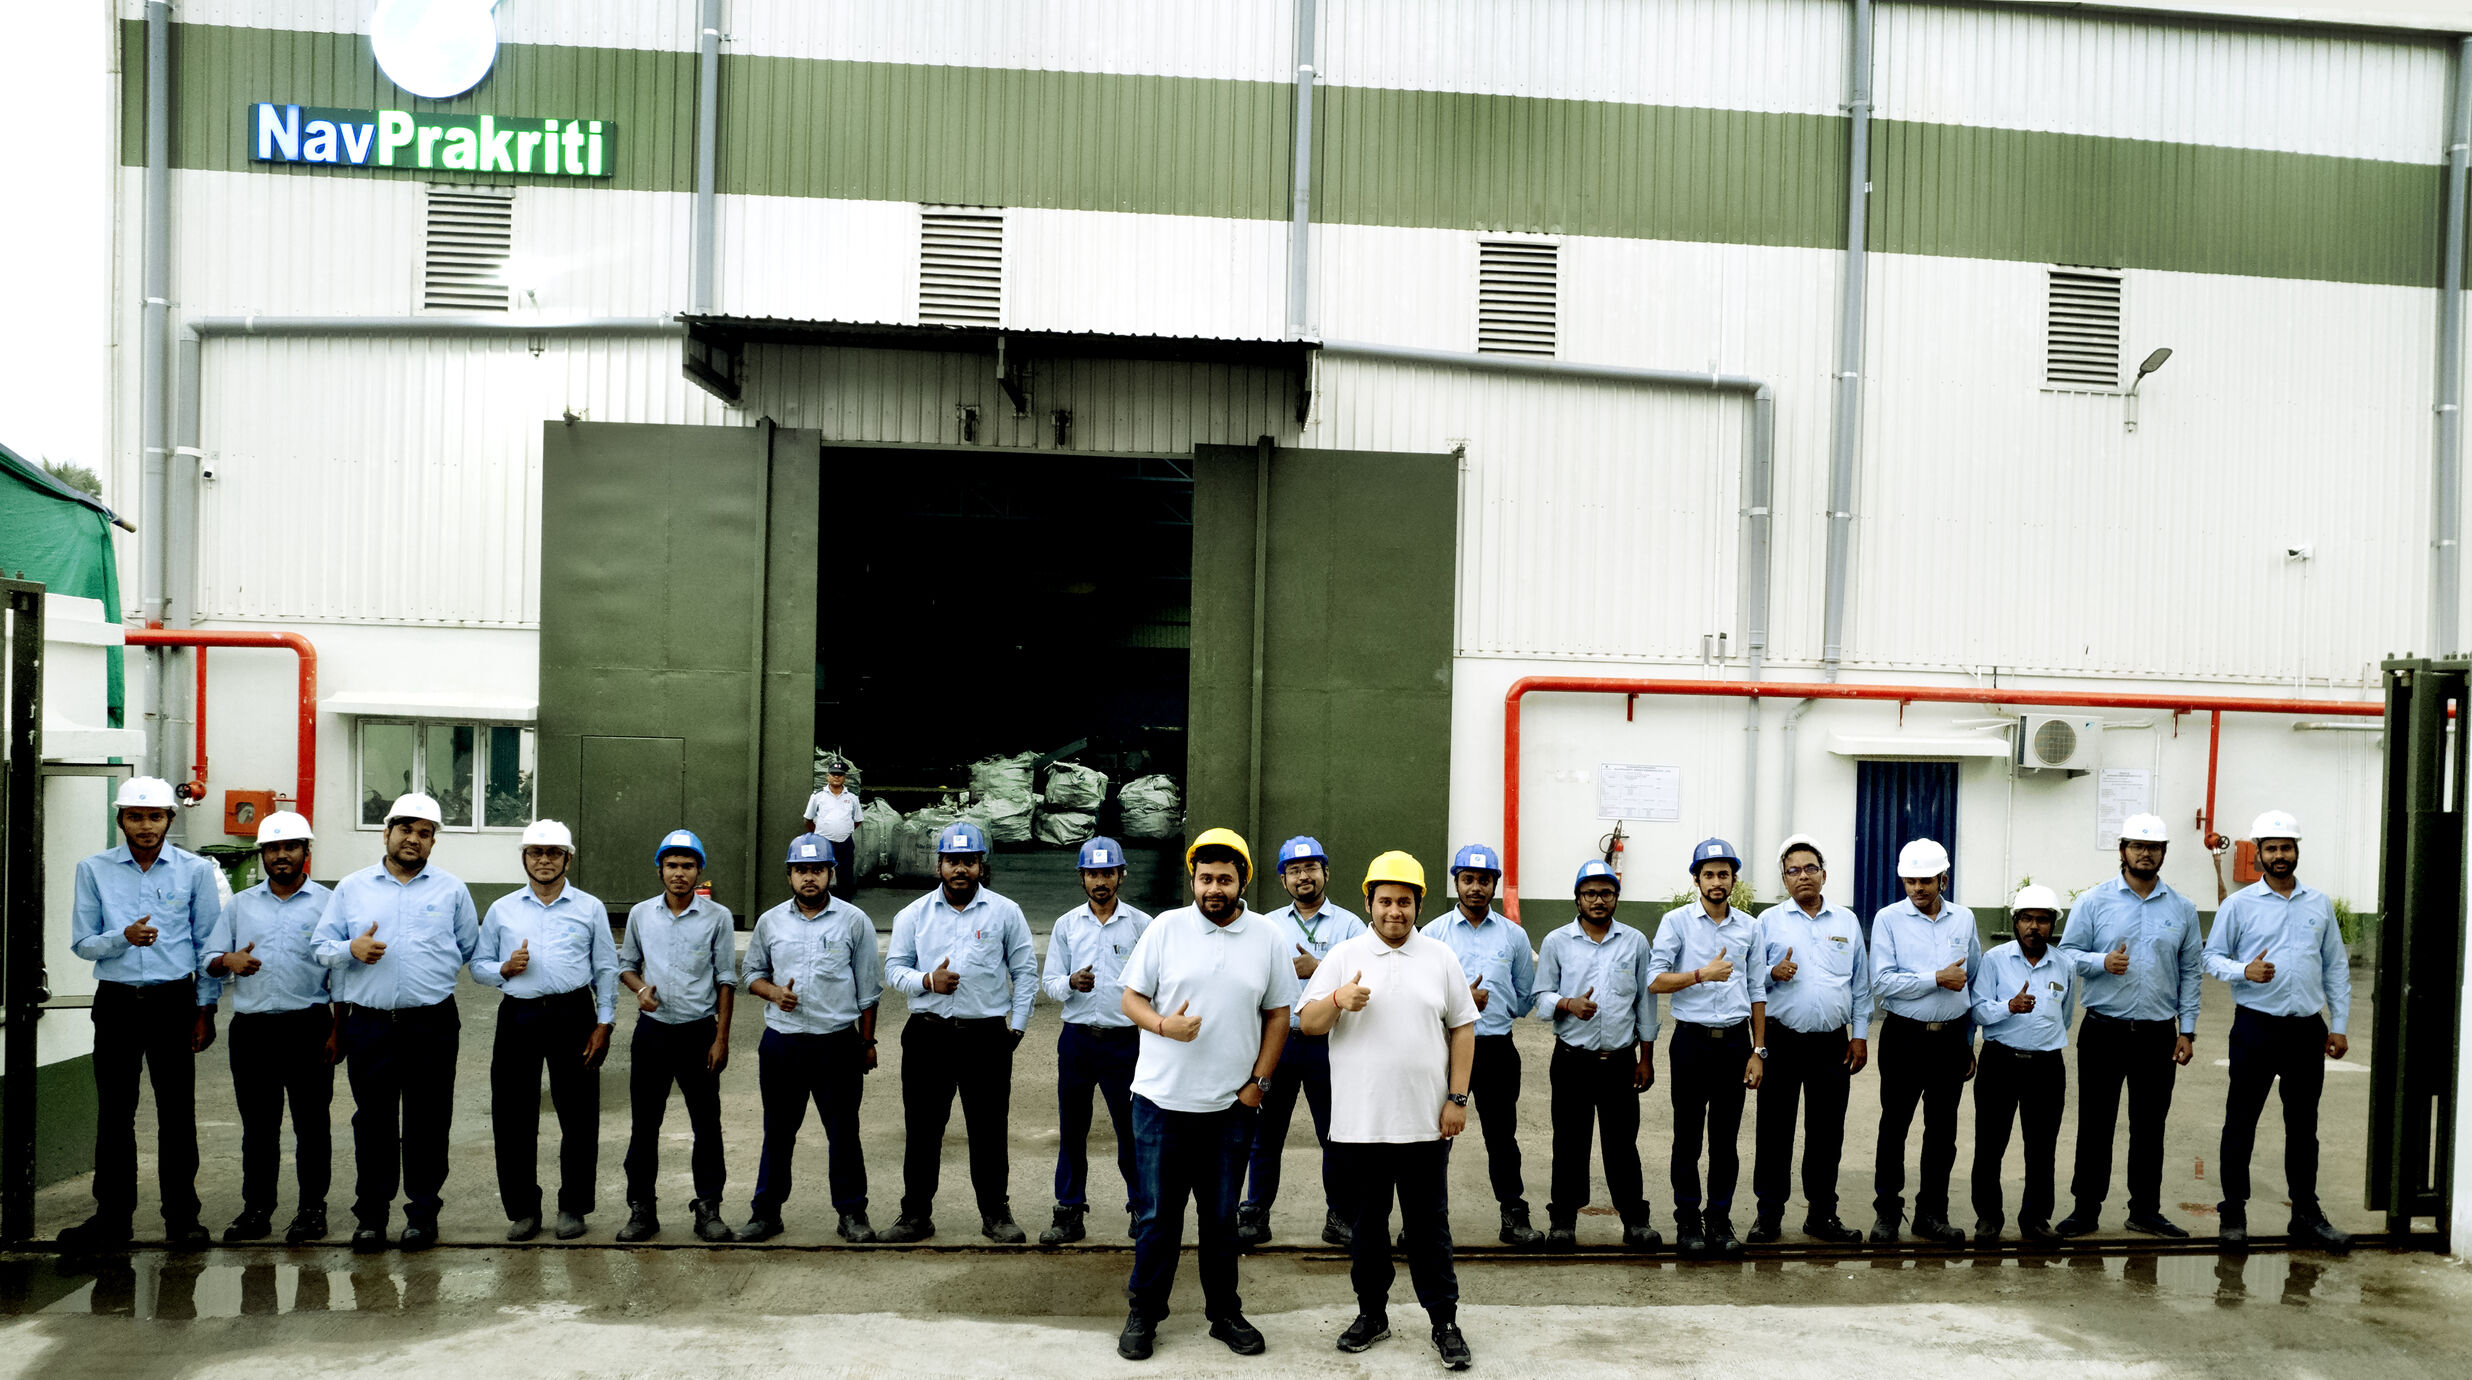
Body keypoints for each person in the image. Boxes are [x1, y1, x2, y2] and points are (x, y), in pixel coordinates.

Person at [1116, 828, 1295, 1360]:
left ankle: (1224, 1314)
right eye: (1205, 878)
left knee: (1220, 1221)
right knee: (1156, 1218)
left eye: (1225, 878)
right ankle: (1145, 1313)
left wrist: (1258, 1084)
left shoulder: (1266, 936)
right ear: (1192, 880)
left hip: (1228, 1110)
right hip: (1159, 1105)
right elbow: (1130, 998)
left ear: (1242, 881)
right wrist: (1162, 1026)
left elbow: (1279, 1013)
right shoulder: (1166, 929)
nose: (1214, 888)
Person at [1300, 851, 1477, 1370]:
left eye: (1404, 901)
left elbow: (1463, 1029)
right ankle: (1371, 1314)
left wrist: (1457, 1098)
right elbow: (1308, 1022)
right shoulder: (1343, 954)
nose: (1394, 911)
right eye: (1384, 901)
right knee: (1367, 1230)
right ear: (1369, 903)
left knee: (1429, 1230)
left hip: (1426, 1123)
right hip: (1359, 1126)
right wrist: (1338, 997)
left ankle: (1443, 1320)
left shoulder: (1441, 957)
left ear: (1418, 903)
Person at [59, 776, 232, 1252]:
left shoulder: (194, 871)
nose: (146, 825)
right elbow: (81, 942)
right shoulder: (93, 869)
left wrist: (206, 1008)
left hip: (173, 1002)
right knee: (115, 1114)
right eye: (135, 816)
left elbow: (206, 946)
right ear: (120, 820)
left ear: (169, 821)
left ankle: (183, 1219)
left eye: (155, 816)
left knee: (177, 1114)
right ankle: (112, 1218)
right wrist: (123, 938)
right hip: (116, 1003)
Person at [314, 791, 481, 1253]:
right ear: (386, 833)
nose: (414, 839)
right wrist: (351, 949)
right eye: (405, 829)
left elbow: (468, 948)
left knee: (428, 1119)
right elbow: (319, 946)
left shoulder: (451, 891)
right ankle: (371, 1216)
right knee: (373, 1121)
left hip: (432, 1023)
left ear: (433, 842)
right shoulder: (352, 888)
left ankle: (422, 1215)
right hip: (370, 1023)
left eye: (424, 833)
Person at [2203, 810, 2353, 1254]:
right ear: (2259, 855)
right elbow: (2211, 958)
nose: (2279, 855)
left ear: (2296, 852)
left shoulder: (2318, 904)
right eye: (2270, 849)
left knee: (2303, 1127)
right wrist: (2243, 970)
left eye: (2286, 848)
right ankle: (2233, 1213)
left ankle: (2305, 1214)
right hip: (2255, 1028)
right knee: (2241, 1123)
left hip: (2307, 1031)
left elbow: (2336, 968)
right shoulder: (2239, 905)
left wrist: (2339, 1026)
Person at [882, 820, 1038, 1243]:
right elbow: (894, 968)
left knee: (988, 1130)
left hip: (985, 1037)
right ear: (939, 866)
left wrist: (1017, 1026)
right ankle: (915, 1215)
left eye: (969, 861)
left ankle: (996, 1215)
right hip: (927, 1035)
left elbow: (1025, 972)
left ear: (981, 867)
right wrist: (927, 981)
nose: (960, 869)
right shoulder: (912, 915)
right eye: (953, 861)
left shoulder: (1006, 913)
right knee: (923, 1129)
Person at [2052, 812, 2202, 1239]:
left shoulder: (2182, 908)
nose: (2145, 853)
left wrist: (2186, 1030)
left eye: (2153, 847)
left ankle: (2145, 1211)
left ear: (2163, 854)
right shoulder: (2094, 901)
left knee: (2150, 1125)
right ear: (2123, 851)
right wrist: (2102, 961)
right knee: (2096, 1122)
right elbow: (2066, 954)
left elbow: (2191, 970)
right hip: (2104, 1030)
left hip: (2158, 1034)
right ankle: (2085, 1209)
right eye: (2137, 846)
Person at [470, 820, 617, 1241]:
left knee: (580, 1114)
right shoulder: (503, 910)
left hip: (574, 1014)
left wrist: (604, 1022)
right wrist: (503, 968)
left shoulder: (589, 908)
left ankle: (573, 1206)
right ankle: (523, 1210)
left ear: (568, 858)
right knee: (513, 1114)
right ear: (524, 858)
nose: (545, 860)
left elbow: (605, 968)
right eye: (536, 852)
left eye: (554, 853)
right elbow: (478, 967)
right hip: (519, 1015)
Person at [737, 833, 881, 1243]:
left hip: (836, 1044)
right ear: (789, 876)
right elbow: (751, 975)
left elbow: (869, 991)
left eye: (817, 869)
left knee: (843, 1132)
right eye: (801, 870)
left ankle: (852, 1213)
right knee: (778, 1131)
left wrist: (867, 1044)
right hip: (782, 1044)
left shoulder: (854, 921)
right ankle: (766, 1213)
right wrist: (774, 993)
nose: (810, 878)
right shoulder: (770, 922)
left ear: (830, 873)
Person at [216, 809, 337, 1245]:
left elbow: (340, 974)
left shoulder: (328, 904)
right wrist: (227, 960)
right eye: (273, 848)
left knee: (312, 1123)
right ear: (262, 854)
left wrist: (336, 1030)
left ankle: (311, 1210)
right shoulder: (241, 906)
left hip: (309, 1026)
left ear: (307, 851)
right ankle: (257, 1210)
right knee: (259, 1126)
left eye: (290, 847)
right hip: (253, 1031)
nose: (281, 856)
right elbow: (212, 957)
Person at [1238, 834, 1365, 1247]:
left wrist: (1320, 966)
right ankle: (1255, 1214)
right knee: (1266, 1134)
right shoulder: (1267, 925)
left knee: (1335, 1134)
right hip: (1279, 1041)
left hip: (1331, 1044)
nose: (1303, 877)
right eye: (1294, 871)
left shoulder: (1349, 925)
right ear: (1283, 880)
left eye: (1311, 868)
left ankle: (1340, 1215)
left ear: (1325, 873)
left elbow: (1368, 978)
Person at [1531, 859, 1661, 1250]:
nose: (1598, 900)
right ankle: (1563, 1222)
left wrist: (1646, 1057)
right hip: (1572, 1060)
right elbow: (1540, 999)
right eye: (1590, 893)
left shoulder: (1635, 942)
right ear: (1578, 899)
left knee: (1623, 1144)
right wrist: (1568, 1004)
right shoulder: (1557, 942)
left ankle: (1635, 1222)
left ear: (1617, 898)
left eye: (1606, 893)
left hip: (1621, 1061)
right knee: (1569, 1143)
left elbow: (1646, 1004)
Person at [616, 828, 738, 1243]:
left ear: (699, 870)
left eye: (687, 866)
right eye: (672, 865)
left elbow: (725, 980)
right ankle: (641, 1210)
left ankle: (708, 1208)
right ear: (660, 869)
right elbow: (627, 965)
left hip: (698, 1034)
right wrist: (639, 989)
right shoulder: (640, 914)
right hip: (652, 1034)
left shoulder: (718, 918)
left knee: (706, 1125)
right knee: (644, 1126)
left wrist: (721, 1038)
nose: (679, 873)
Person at [1647, 838, 1766, 1258]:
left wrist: (1759, 1050)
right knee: (1688, 1136)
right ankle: (1687, 1220)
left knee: (1725, 1139)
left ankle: (1719, 1219)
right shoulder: (1677, 923)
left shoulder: (1751, 927)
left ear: (1734, 880)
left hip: (1735, 1042)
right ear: (1696, 878)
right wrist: (1702, 974)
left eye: (1724, 874)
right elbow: (1655, 980)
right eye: (1709, 874)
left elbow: (1757, 991)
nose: (1717, 882)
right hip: (1692, 1041)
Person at [1749, 834, 1870, 1245]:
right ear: (1784, 879)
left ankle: (1822, 1215)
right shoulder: (1768, 922)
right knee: (1774, 1132)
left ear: (1824, 874)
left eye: (1810, 869)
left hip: (1832, 1045)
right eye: (1794, 871)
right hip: (1782, 1042)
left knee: (1826, 1133)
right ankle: (1768, 1216)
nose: (1803, 876)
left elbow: (1860, 986)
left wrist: (1859, 1036)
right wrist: (1771, 973)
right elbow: (1752, 983)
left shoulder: (1846, 921)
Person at [1421, 842, 1543, 1248]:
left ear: (1495, 885)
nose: (1476, 887)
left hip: (1495, 1050)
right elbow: (1417, 994)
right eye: (1468, 879)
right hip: (1443, 1047)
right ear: (1456, 882)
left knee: (1502, 1137)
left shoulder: (1514, 936)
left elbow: (1526, 995)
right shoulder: (1433, 934)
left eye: (1484, 880)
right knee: (1433, 1137)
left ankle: (1513, 1216)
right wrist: (1458, 1004)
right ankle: (1423, 1221)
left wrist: (1498, 1011)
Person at [1037, 837, 1155, 1245]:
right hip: (1078, 1042)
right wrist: (1070, 983)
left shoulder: (1143, 925)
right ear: (1081, 878)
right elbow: (1049, 982)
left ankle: (1142, 1209)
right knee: (1073, 1129)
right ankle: (1069, 1211)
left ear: (1121, 874)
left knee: (1132, 1130)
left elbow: (1158, 985)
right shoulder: (1067, 925)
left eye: (1107, 873)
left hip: (1125, 1043)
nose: (1100, 881)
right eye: (1092, 874)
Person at [1868, 837, 1980, 1246]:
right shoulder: (1888, 920)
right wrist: (1935, 978)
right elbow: (1881, 981)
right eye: (1910, 881)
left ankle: (1931, 1214)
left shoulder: (1964, 920)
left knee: (1942, 1131)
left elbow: (1974, 980)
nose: (1918, 889)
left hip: (1950, 1040)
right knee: (1893, 1125)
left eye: (1926, 881)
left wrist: (1968, 1040)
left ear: (1943, 880)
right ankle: (1887, 1214)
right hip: (1903, 1038)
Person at [1968, 886, 2077, 1245]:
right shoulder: (1995, 960)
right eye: (2027, 918)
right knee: (1990, 1144)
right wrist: (2008, 1008)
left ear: (2052, 925)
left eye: (2043, 920)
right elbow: (1979, 1010)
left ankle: (2035, 1218)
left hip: (2046, 1067)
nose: (2035, 927)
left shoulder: (2065, 965)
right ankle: (1988, 1217)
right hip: (2000, 1062)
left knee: (2042, 1146)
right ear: (2015, 922)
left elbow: (2064, 1017)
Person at [802, 758, 864, 900]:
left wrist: (843, 830)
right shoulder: (818, 796)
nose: (837, 777)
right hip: (823, 843)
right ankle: (819, 902)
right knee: (820, 874)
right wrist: (820, 834)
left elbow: (857, 821)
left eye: (840, 774)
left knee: (845, 876)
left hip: (845, 843)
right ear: (827, 776)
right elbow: (809, 819)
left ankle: (845, 904)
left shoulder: (852, 798)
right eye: (834, 774)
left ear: (844, 778)